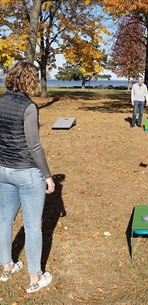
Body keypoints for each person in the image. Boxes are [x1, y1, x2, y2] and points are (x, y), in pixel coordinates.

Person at [0, 61, 55, 293]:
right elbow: (34, 146)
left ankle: (7, 266)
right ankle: (34, 279)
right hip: (27, 172)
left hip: (3, 171)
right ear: (31, 81)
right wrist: (48, 176)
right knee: (33, 227)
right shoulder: (29, 107)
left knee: (4, 221)